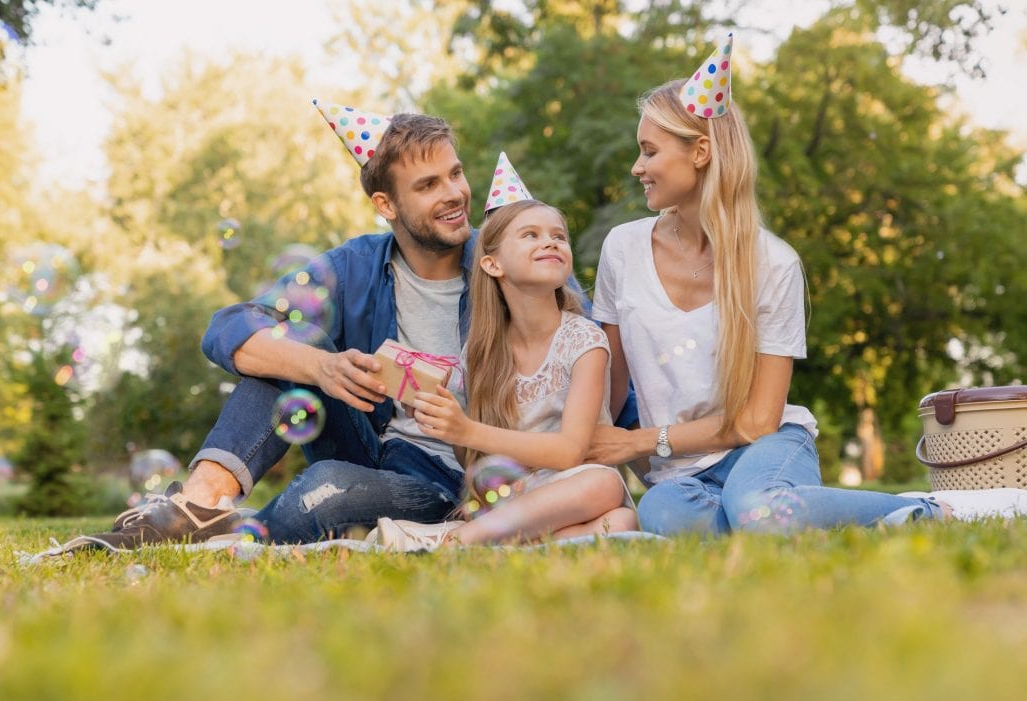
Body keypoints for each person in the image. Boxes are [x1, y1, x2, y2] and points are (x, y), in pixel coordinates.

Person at [92, 104, 635, 549]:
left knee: (326, 489)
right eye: (427, 185)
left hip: (448, 476)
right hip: (364, 441)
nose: (453, 194)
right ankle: (202, 502)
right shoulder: (355, 266)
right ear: (386, 204)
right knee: (286, 345)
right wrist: (322, 366)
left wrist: (659, 460)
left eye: (455, 173)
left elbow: (585, 371)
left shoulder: (508, 263)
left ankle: (246, 529)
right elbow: (229, 327)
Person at [586, 35, 948, 535]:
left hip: (766, 447)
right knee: (664, 516)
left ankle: (927, 510)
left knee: (755, 506)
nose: (637, 167)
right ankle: (788, 517)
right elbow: (610, 389)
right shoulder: (621, 249)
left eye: (649, 151)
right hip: (679, 474)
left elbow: (757, 421)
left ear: (701, 152)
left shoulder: (773, 263)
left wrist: (640, 442)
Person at [357, 167, 636, 550]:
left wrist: (466, 430)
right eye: (531, 235)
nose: (551, 242)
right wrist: (441, 416)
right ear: (492, 264)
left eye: (559, 236)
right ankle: (478, 540)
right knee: (615, 516)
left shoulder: (584, 340)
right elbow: (476, 458)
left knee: (614, 502)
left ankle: (454, 540)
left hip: (569, 488)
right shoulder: (482, 351)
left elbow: (570, 451)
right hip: (509, 498)